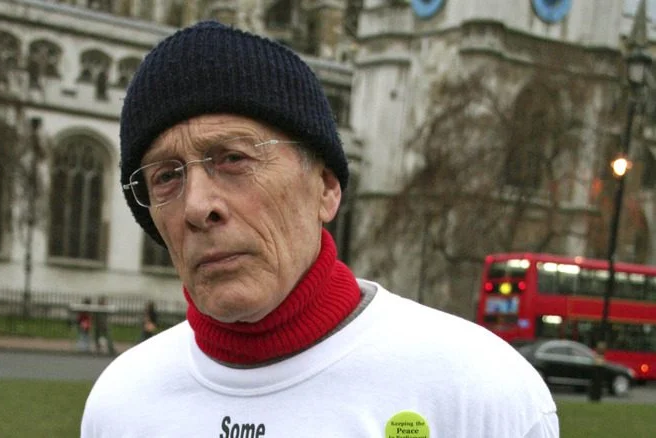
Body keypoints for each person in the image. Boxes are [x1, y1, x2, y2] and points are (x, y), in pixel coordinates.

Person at [82, 21, 559, 437]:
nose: (197, 206)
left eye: (233, 158)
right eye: (167, 176)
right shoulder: (120, 402)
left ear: (327, 188)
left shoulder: (479, 389)